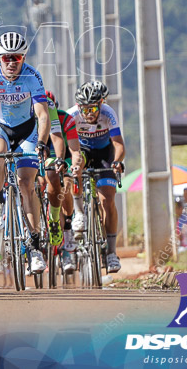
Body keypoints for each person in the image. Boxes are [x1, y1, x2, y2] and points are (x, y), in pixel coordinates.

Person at [0, 32, 61, 275]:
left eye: (16, 57)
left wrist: (43, 142)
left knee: (27, 184)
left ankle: (34, 248)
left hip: (27, 130)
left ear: (23, 57)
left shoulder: (32, 76)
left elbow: (43, 115)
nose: (11, 62)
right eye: (6, 57)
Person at [66, 80, 126, 273]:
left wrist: (116, 162)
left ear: (101, 104)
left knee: (107, 200)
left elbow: (118, 144)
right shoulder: (72, 115)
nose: (88, 114)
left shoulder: (108, 113)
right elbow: (67, 144)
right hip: (81, 150)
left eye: (92, 108)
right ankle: (79, 213)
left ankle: (111, 253)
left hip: (104, 154)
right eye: (84, 109)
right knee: (77, 165)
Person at [43, 91, 85, 274]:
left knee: (66, 185)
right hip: (43, 159)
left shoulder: (65, 119)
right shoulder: (32, 120)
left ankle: (67, 231)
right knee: (34, 183)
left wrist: (75, 165)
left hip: (64, 158)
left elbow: (75, 150)